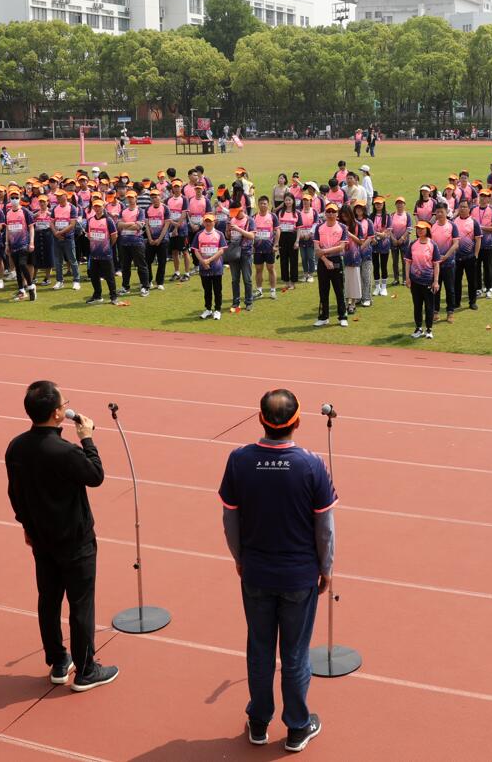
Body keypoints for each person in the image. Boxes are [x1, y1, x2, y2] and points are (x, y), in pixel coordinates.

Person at [218, 388, 336, 751]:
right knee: (296, 653)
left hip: (255, 571)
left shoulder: (239, 460)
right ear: (297, 422)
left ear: (260, 420)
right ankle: (297, 727)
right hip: (299, 576)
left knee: (260, 648)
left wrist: (239, 558)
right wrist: (326, 567)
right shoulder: (312, 465)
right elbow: (325, 529)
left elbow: (229, 519)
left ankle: (259, 721)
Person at [6, 381, 117, 692]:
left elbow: (15, 494)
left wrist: (26, 526)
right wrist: (88, 439)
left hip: (41, 539)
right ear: (58, 413)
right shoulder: (65, 451)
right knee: (81, 604)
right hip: (75, 540)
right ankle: (86, 670)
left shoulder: (16, 446)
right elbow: (95, 475)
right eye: (65, 402)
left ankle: (58, 660)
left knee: (49, 599)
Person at [312, 204, 349, 328]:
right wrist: (325, 260)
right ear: (325, 213)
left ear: (337, 214)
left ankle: (342, 316)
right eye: (328, 211)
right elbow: (316, 248)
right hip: (323, 261)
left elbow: (342, 247)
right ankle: (323, 317)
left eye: (333, 211)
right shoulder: (319, 227)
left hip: (337, 259)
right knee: (323, 290)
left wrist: (325, 252)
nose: (331, 213)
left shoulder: (342, 227)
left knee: (339, 290)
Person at [407, 220, 439, 339]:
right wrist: (407, 278)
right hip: (415, 281)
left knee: (429, 306)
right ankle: (418, 328)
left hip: (428, 281)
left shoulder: (432, 245)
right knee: (417, 305)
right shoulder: (413, 244)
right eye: (418, 229)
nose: (419, 230)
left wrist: (435, 281)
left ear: (427, 230)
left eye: (422, 228)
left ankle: (429, 329)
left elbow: (436, 264)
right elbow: (408, 262)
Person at [84, 199, 119, 304]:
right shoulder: (90, 220)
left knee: (110, 277)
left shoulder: (108, 220)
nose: (97, 208)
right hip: (94, 254)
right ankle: (97, 295)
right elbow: (88, 234)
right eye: (95, 206)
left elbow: (114, 236)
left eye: (99, 206)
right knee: (94, 276)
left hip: (106, 254)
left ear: (103, 207)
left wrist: (108, 246)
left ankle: (113, 297)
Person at [195, 212, 227, 319]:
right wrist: (203, 261)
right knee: (207, 290)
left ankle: (217, 310)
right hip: (204, 267)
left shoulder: (219, 234)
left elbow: (221, 250)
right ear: (203, 222)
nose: (208, 223)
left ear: (214, 222)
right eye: (206, 221)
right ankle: (208, 309)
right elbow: (196, 250)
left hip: (216, 267)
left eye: (210, 221)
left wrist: (208, 260)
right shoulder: (199, 234)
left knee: (217, 289)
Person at [252, 195, 278, 301]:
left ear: (268, 205)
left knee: (271, 268)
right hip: (257, 249)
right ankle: (259, 291)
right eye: (261, 203)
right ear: (258, 205)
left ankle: (273, 291)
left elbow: (278, 231)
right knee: (258, 269)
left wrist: (275, 244)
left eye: (265, 203)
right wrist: (252, 245)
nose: (263, 205)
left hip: (269, 248)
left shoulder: (272, 216)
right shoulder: (253, 217)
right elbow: (251, 232)